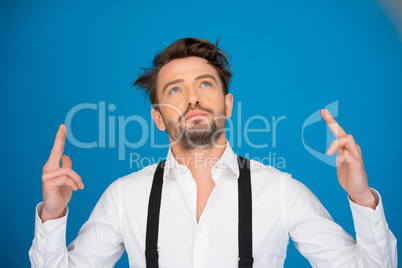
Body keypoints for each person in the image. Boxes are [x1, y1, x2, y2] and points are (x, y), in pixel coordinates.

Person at [29, 38, 397, 267]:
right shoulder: (125, 196)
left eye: (205, 84)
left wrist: (361, 198)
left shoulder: (281, 191)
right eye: (175, 90)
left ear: (228, 104)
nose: (192, 98)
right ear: (157, 118)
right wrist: (53, 214)